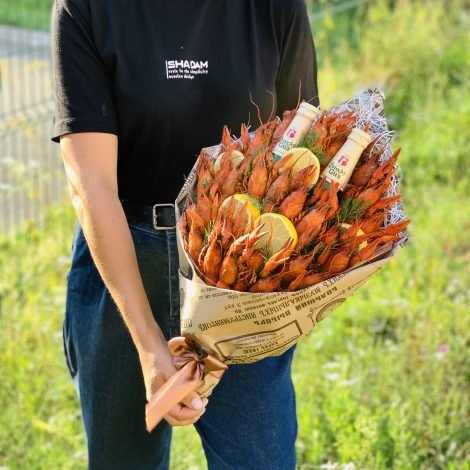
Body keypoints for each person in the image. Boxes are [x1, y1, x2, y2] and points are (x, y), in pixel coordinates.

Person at [51, 0, 319, 468]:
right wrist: (148, 343)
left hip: (242, 275)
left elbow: (299, 145)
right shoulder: (86, 8)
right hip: (125, 261)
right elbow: (91, 184)